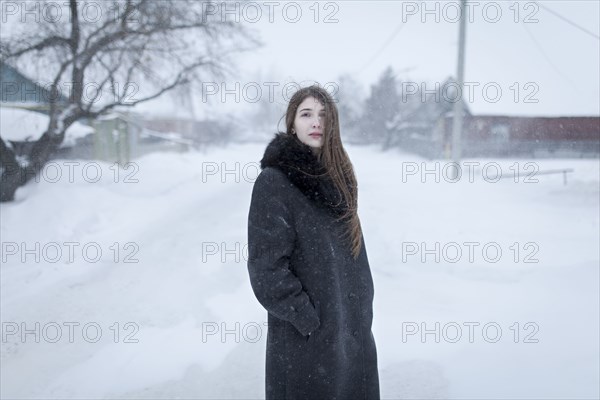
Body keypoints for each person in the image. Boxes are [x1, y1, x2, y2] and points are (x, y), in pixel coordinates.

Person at [246, 85, 380, 399]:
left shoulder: (339, 180)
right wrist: (308, 319)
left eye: (323, 115)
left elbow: (353, 255)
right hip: (306, 341)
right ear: (292, 123)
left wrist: (361, 310)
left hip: (351, 331)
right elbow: (266, 268)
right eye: (306, 114)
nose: (315, 122)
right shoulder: (275, 182)